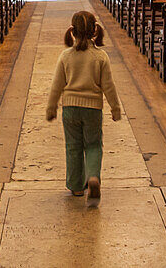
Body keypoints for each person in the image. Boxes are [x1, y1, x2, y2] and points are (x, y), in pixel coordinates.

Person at [46, 11, 122, 202]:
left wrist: (52, 107)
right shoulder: (100, 56)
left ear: (72, 31)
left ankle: (76, 186)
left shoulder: (66, 56)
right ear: (95, 31)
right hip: (93, 109)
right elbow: (108, 85)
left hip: (70, 108)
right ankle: (94, 177)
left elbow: (57, 85)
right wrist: (115, 108)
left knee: (73, 147)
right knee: (94, 145)